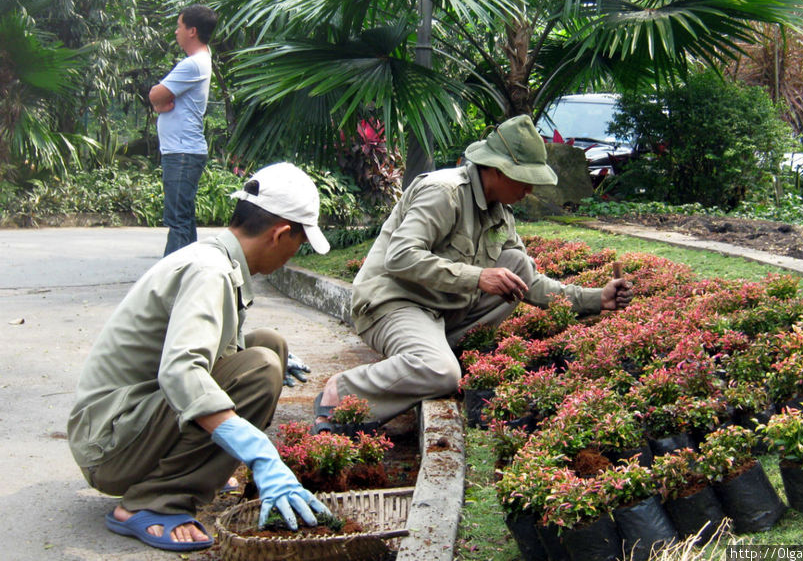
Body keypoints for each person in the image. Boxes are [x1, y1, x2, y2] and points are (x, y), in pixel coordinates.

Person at [68, 162, 332, 552]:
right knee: (259, 370)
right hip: (109, 446)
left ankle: (199, 466)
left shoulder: (215, 257)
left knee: (270, 346)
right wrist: (260, 453)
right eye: (301, 242)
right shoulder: (210, 272)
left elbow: (210, 350)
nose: (295, 254)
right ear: (280, 234)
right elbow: (181, 373)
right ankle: (156, 500)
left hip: (127, 421)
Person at [313, 115, 633, 431]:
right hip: (395, 303)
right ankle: (341, 391)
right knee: (442, 373)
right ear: (496, 169)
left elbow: (530, 282)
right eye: (525, 177)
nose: (529, 188)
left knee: (516, 267)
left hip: (441, 312)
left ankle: (440, 352)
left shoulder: (499, 212)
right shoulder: (443, 192)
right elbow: (400, 257)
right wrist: (477, 277)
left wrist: (597, 299)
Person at [149, 4, 218, 256]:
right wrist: (160, 102)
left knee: (177, 220)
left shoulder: (193, 64)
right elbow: (159, 99)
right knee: (184, 220)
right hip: (182, 151)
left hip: (182, 153)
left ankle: (171, 280)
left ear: (192, 31)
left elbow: (155, 94)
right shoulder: (201, 59)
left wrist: (159, 101)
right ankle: (188, 275)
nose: (176, 31)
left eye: (179, 26)